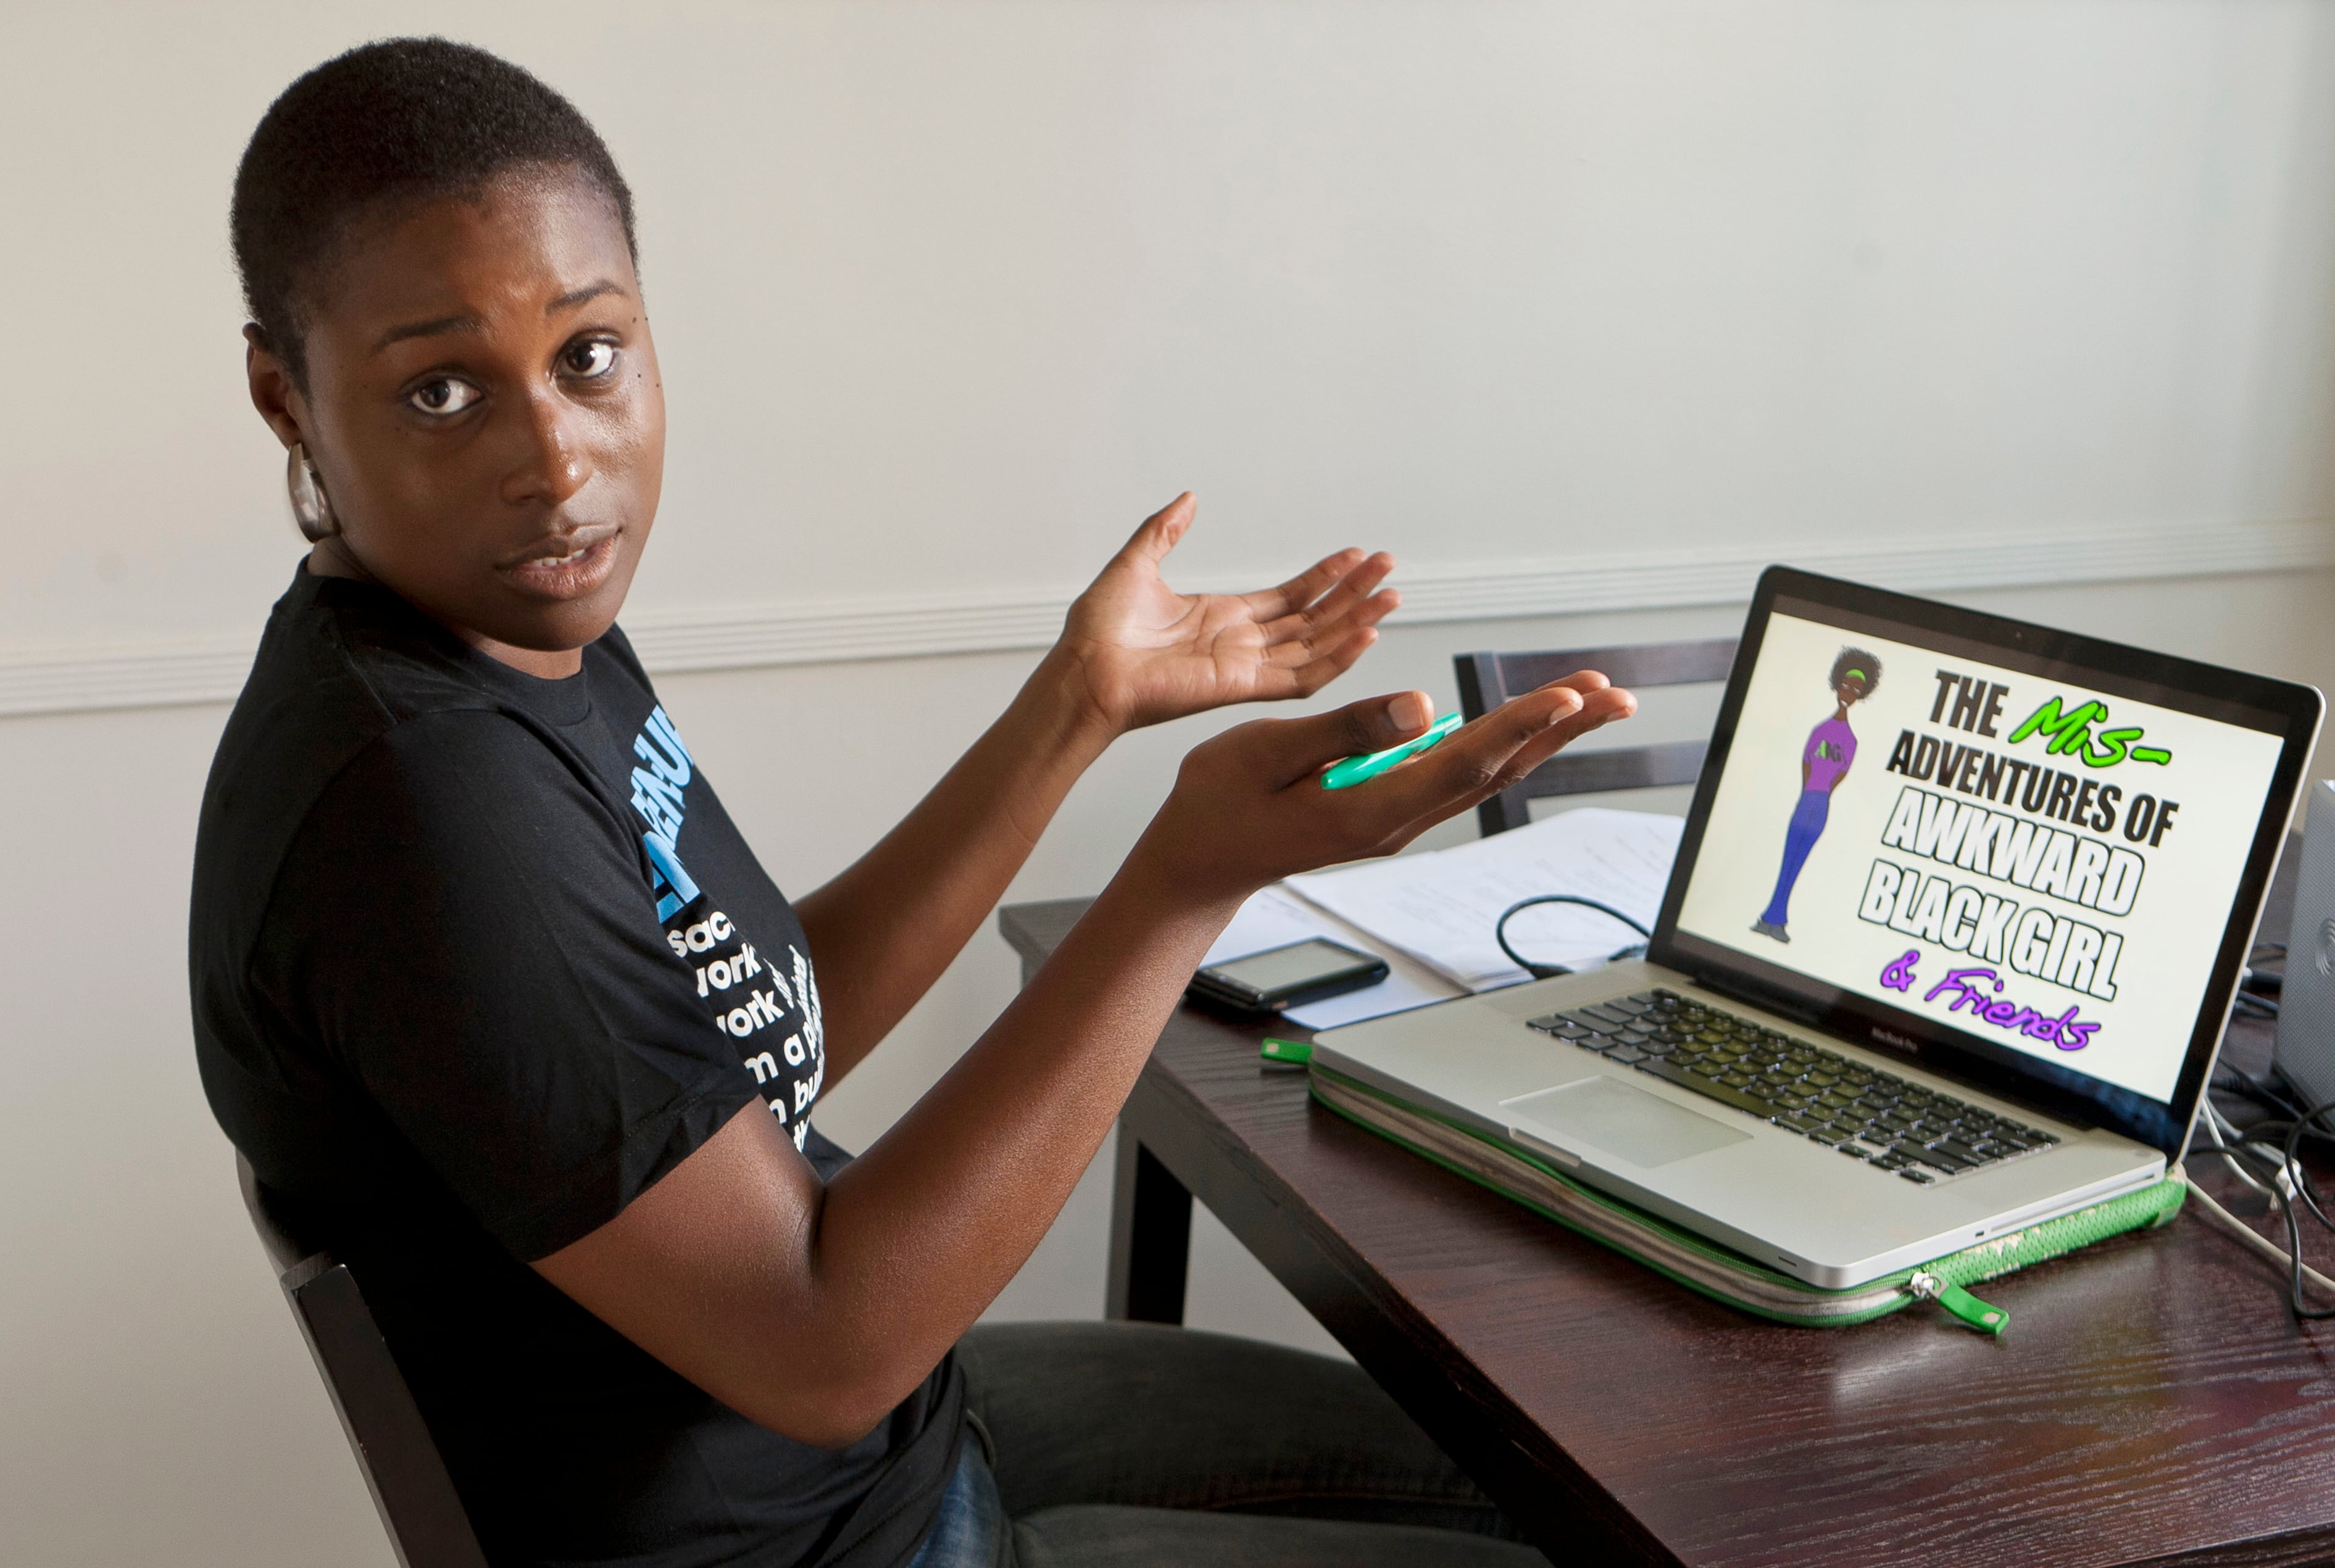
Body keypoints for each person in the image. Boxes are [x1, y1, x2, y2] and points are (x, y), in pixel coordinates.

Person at [189, 39, 1634, 1568]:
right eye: (439, 390)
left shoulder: (504, 635)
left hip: (886, 1451)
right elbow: (825, 1349)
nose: (554, 461)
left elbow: (749, 1031)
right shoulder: (423, 804)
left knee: (1537, 1480)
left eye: (589, 356)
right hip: (822, 1522)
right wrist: (1181, 887)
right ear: (285, 394)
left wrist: (1077, 707)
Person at [1750, 647, 1882, 944]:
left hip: (1820, 805)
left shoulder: (1850, 739)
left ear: (1862, 694)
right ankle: (1772, 918)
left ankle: (1776, 919)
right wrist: (1809, 791)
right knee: (1788, 859)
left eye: (1856, 688)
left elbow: (1841, 772)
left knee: (1798, 861)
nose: (1849, 691)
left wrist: (1821, 794)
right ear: (1837, 685)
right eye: (1846, 685)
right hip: (1807, 800)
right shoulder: (1821, 729)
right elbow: (1807, 761)